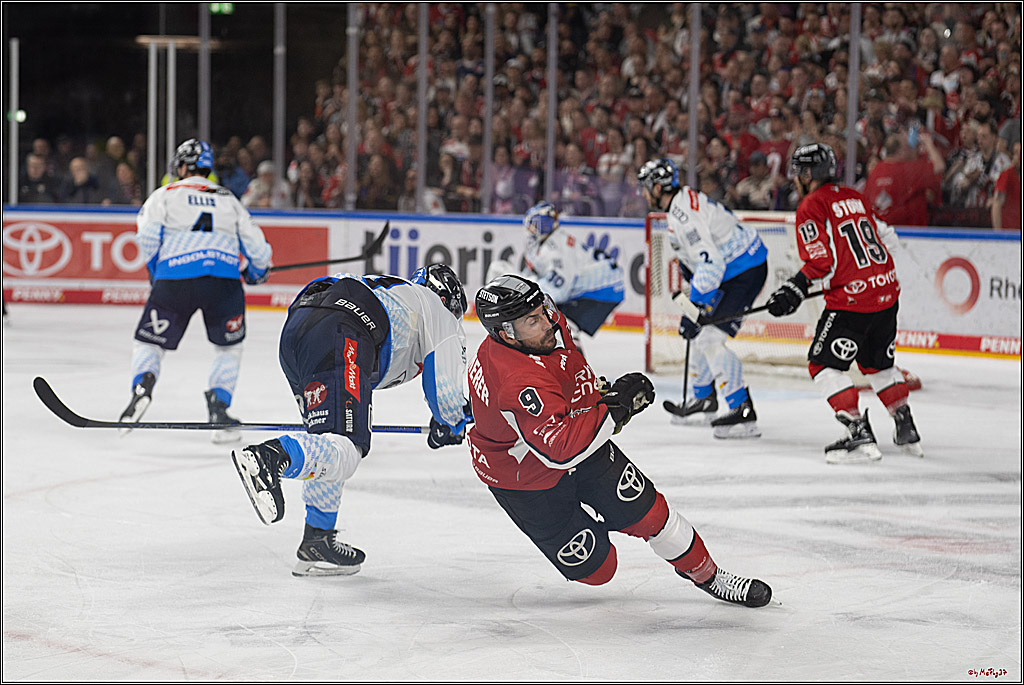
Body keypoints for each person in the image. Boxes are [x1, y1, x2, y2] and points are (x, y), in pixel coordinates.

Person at [467, 274, 772, 607]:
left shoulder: (543, 331)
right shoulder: (516, 380)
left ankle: (709, 576)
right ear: (506, 334)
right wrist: (616, 408)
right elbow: (559, 451)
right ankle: (595, 523)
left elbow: (565, 376)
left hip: (577, 439)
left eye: (542, 311)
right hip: (527, 480)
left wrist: (600, 396)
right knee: (600, 569)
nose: (547, 323)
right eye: (531, 321)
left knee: (653, 513)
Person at [231, 264, 473, 577]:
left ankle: (317, 538)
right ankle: (272, 457)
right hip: (342, 330)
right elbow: (446, 389)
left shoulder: (400, 294)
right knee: (347, 447)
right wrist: (451, 424)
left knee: (329, 443)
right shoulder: (438, 311)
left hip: (299, 330)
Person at [766, 143, 923, 464]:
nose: (796, 178)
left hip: (853, 303)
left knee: (823, 365)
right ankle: (905, 425)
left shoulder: (811, 205)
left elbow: (820, 261)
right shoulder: (855, 196)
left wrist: (793, 289)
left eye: (799, 172)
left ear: (808, 174)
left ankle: (857, 431)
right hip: (887, 293)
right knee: (878, 365)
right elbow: (887, 238)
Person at [119, 138, 273, 445]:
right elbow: (258, 250)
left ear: (181, 167)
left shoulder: (165, 195)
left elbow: (147, 236)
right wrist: (257, 272)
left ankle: (142, 387)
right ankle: (219, 410)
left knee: (149, 342)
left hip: (176, 279)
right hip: (224, 282)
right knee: (229, 348)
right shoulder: (228, 198)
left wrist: (156, 270)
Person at [637, 158, 767, 439]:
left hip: (744, 271)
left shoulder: (683, 217)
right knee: (701, 334)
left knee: (708, 337)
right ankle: (704, 399)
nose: (644, 194)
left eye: (646, 188)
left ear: (658, 188)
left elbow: (712, 264)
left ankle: (742, 409)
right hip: (734, 269)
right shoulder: (680, 204)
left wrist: (694, 307)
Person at [485, 202, 625, 350]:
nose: (540, 227)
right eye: (537, 223)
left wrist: (523, 302)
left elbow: (559, 291)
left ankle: (574, 368)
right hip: (602, 287)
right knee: (556, 321)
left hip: (603, 290)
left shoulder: (556, 248)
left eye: (543, 222)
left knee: (563, 323)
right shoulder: (546, 242)